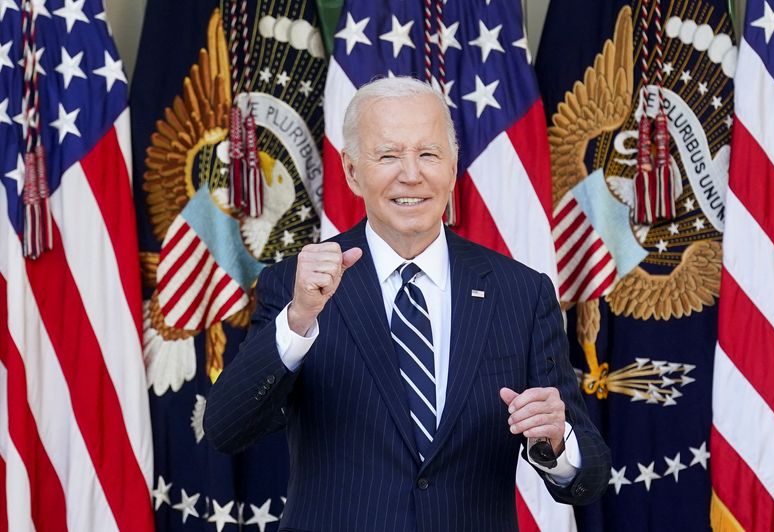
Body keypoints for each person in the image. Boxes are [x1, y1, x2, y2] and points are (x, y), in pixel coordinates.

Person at [204, 76, 610, 532]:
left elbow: (588, 478)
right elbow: (226, 429)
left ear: (454, 166)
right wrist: (298, 320)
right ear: (353, 171)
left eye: (429, 154)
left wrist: (555, 443)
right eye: (389, 155)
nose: (412, 174)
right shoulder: (296, 288)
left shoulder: (521, 293)